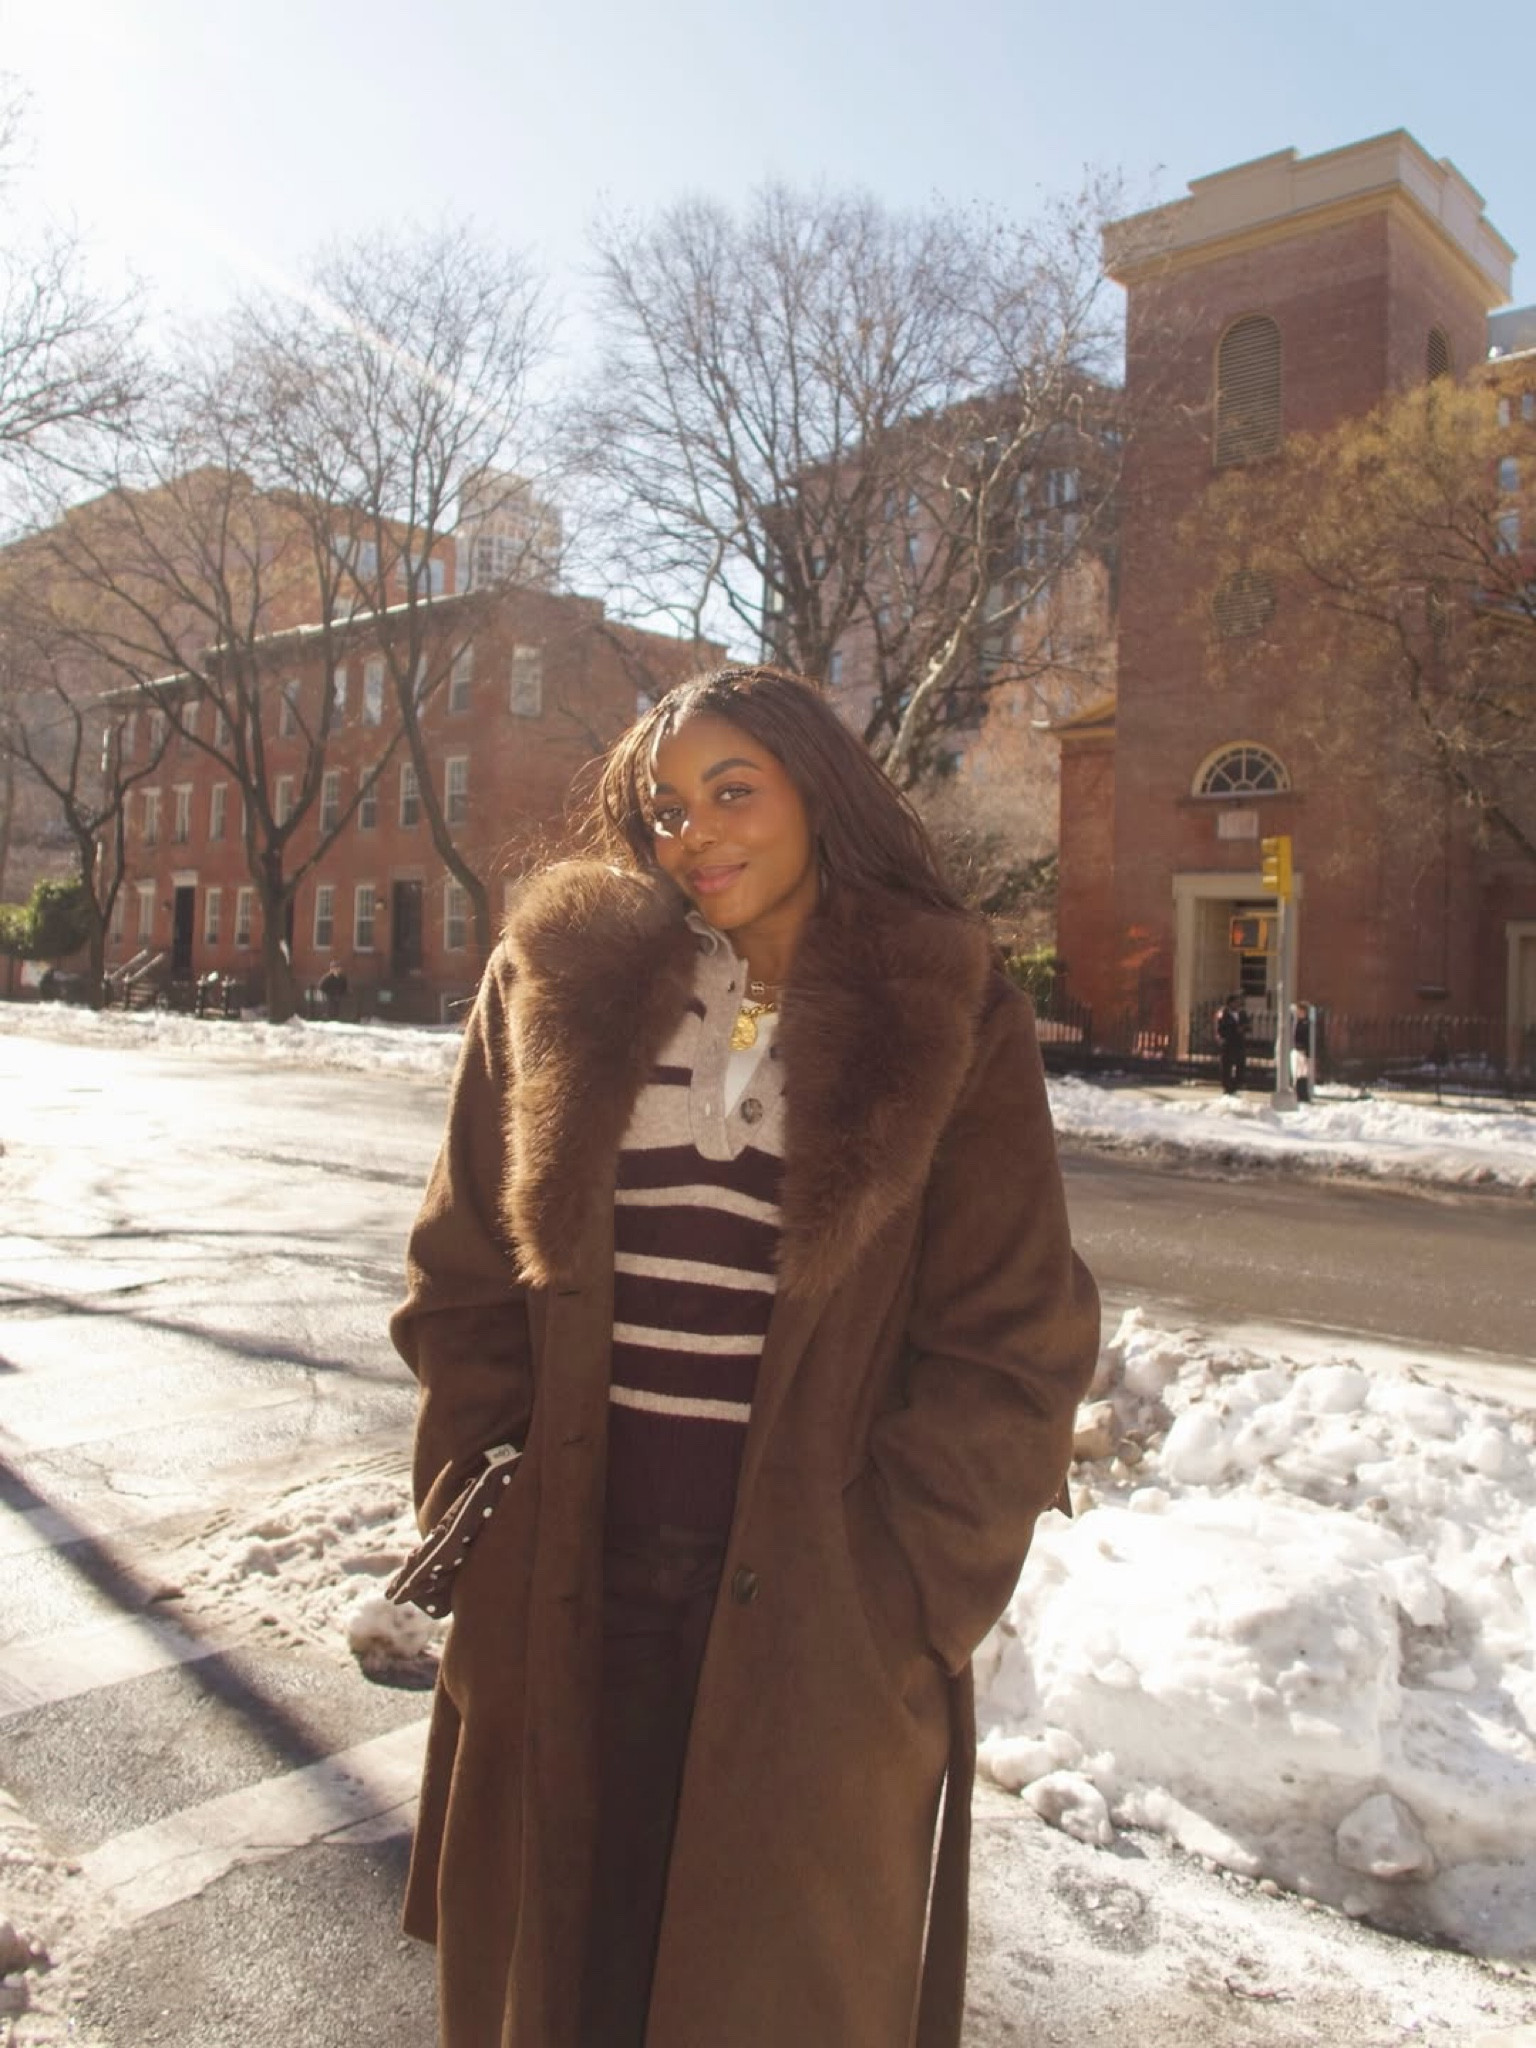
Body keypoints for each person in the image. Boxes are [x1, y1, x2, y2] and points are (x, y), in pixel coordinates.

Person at [390, 665, 1099, 2048]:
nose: (692, 836)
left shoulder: (944, 1013)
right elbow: (460, 1279)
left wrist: (902, 1592)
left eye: (732, 792)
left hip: (814, 1619)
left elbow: (1012, 1341)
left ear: (817, 795)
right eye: (663, 807)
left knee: (766, 1997)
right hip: (569, 1579)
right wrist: (484, 1507)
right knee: (560, 1988)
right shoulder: (556, 986)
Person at [1216, 991, 1247, 1095]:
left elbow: (1248, 1025)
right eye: (1236, 1002)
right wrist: (1221, 1038)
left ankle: (1236, 1085)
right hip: (1228, 1043)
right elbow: (1220, 1028)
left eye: (1239, 1002)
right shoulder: (1223, 1013)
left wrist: (1243, 1029)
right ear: (1230, 1003)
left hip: (1239, 1043)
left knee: (1240, 1065)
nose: (1238, 1005)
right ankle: (1227, 1087)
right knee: (1226, 1066)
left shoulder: (1242, 1013)